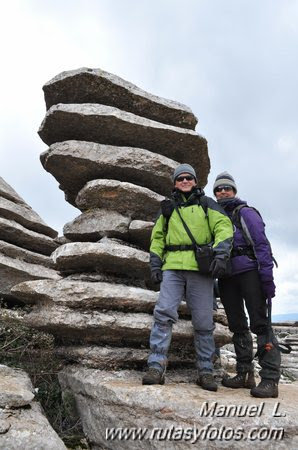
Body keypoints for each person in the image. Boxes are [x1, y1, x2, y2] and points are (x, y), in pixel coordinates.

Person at [142, 164, 233, 391]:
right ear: (174, 182)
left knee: (203, 322)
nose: (184, 181)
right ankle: (156, 366)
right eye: (180, 178)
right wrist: (155, 263)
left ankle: (205, 371)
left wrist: (221, 254)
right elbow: (158, 237)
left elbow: (224, 227)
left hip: (200, 271)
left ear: (195, 181)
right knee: (163, 313)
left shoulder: (206, 204)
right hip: (172, 268)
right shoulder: (167, 208)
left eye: (188, 178)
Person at [213, 171, 281, 398]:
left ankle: (270, 380)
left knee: (260, 324)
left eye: (227, 188)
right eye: (218, 189)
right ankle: (244, 374)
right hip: (226, 277)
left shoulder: (246, 213)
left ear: (234, 190)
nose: (223, 192)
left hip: (250, 272)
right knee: (237, 325)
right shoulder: (213, 216)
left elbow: (262, 246)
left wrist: (267, 280)